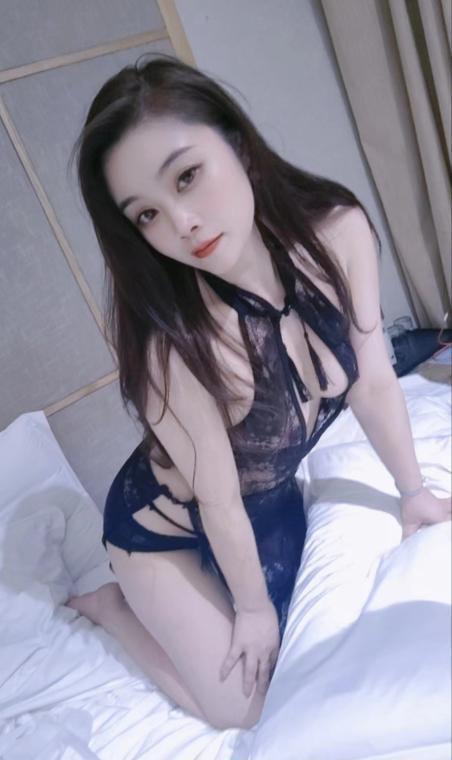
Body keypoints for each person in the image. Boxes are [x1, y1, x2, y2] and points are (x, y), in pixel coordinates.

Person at [66, 54, 451, 730]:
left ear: (238, 145)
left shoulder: (338, 230)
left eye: (187, 176)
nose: (182, 222)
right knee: (245, 711)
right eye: (147, 214)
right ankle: (114, 606)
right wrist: (250, 611)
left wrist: (413, 491)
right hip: (163, 530)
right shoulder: (175, 344)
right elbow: (215, 499)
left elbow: (372, 377)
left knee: (318, 645)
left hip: (264, 504)